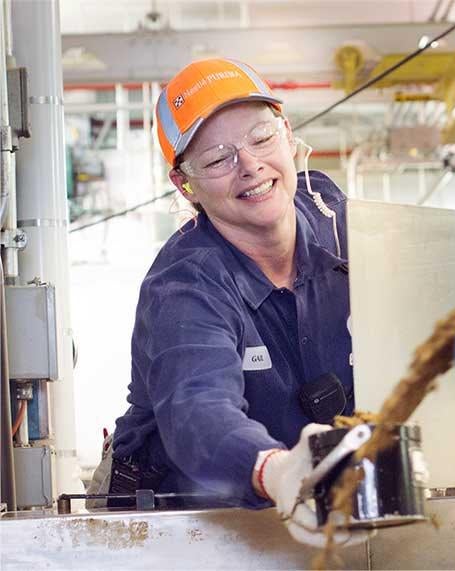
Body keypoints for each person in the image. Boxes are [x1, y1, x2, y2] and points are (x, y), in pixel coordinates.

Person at [88, 58, 360, 546]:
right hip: (169, 522)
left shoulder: (344, 229)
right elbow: (199, 415)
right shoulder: (184, 285)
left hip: (320, 508)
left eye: (261, 138)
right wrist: (278, 472)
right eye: (218, 159)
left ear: (287, 131)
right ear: (185, 184)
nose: (251, 166)